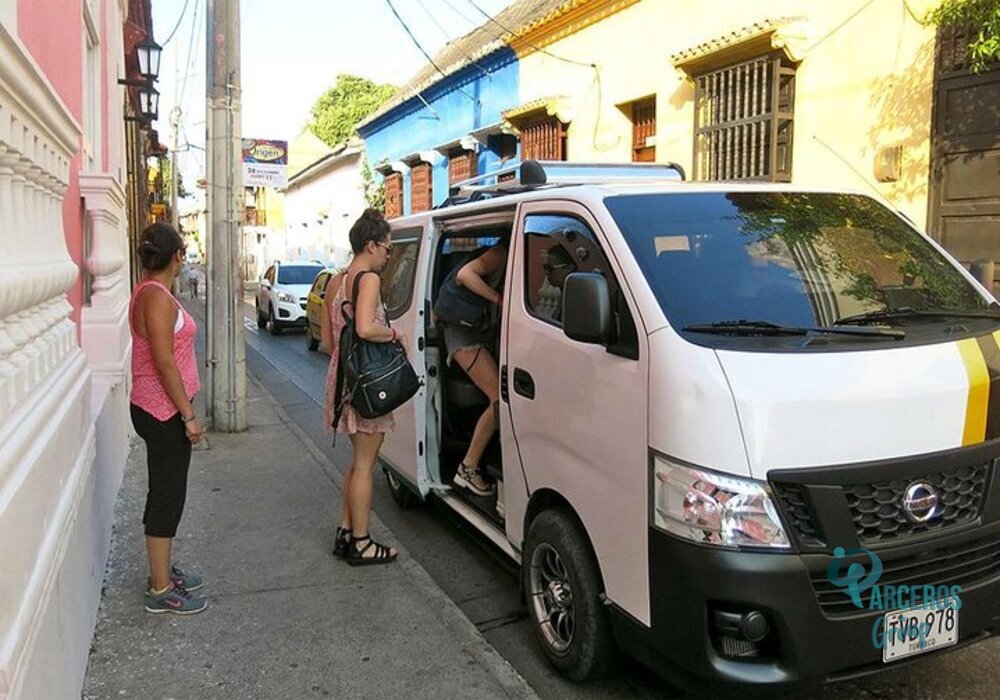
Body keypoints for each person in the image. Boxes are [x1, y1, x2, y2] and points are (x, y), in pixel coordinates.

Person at [128, 222, 207, 615]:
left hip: (160, 407)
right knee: (167, 495)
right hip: (162, 410)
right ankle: (159, 589)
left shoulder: (152, 291)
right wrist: (189, 416)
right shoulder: (156, 297)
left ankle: (161, 570)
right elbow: (163, 362)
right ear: (176, 256)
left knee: (165, 491)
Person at [321, 209, 403, 566]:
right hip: (367, 383)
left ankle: (344, 531)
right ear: (371, 245)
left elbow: (328, 342)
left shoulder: (336, 282)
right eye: (386, 248)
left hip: (343, 378)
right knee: (366, 465)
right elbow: (368, 329)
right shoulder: (367, 279)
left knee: (357, 462)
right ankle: (361, 541)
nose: (387, 256)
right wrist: (395, 334)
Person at [442, 240, 508, 497]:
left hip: (473, 333)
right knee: (498, 401)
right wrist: (500, 300)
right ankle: (468, 467)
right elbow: (465, 275)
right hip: (464, 337)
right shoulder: (500, 252)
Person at [535, 244, 577, 323]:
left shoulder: (576, 300)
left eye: (550, 268)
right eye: (545, 267)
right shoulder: (564, 293)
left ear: (569, 268)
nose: (547, 273)